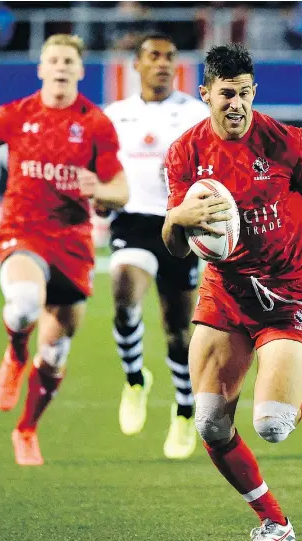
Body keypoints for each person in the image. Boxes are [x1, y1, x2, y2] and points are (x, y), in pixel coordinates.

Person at [162, 44, 302, 541]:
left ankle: (291, 391)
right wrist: (174, 222)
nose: (237, 104)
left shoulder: (284, 142)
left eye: (246, 93)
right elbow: (174, 245)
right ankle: (274, 524)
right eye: (227, 94)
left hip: (286, 294)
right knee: (209, 421)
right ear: (205, 93)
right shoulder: (184, 153)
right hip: (225, 293)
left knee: (271, 426)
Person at [0, 34, 128, 466]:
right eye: (54, 59)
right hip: (23, 233)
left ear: (81, 70)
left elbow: (120, 190)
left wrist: (101, 190)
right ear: (41, 68)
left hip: (72, 244)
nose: (62, 66)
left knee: (56, 352)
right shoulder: (17, 114)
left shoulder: (95, 123)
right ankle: (14, 351)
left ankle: (27, 430)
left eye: (70, 60)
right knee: (25, 303)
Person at [103, 32, 209, 459]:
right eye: (153, 56)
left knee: (178, 331)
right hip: (132, 218)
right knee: (124, 292)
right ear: (137, 64)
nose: (162, 63)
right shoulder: (114, 115)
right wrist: (98, 196)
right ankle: (134, 380)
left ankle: (184, 409)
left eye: (169, 56)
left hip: (179, 224)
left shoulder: (196, 114)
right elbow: (102, 169)